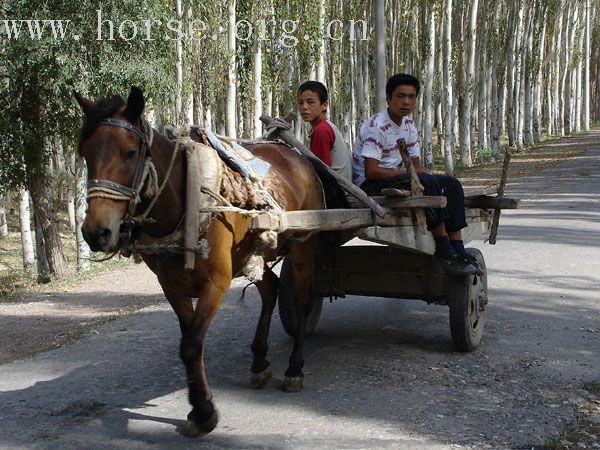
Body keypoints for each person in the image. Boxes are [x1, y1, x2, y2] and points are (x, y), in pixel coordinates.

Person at [352, 73, 481, 276]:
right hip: (370, 185)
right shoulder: (377, 126)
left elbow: (417, 165)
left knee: (452, 184)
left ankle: (458, 248)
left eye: (411, 97)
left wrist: (436, 181)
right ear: (388, 98)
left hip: (399, 177)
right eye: (401, 96)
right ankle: (443, 248)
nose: (406, 102)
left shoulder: (409, 125)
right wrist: (413, 175)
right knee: (427, 181)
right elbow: (371, 171)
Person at [297, 80, 352, 181]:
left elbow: (320, 171)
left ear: (324, 105)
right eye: (300, 103)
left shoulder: (321, 130)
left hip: (335, 191)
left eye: (311, 102)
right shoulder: (325, 126)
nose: (304, 107)